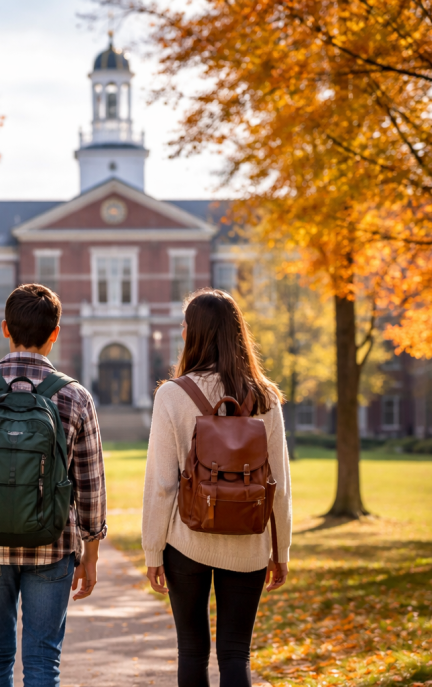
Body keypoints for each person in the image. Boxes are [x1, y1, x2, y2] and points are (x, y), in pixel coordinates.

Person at [0, 283, 107, 687]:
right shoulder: (75, 397)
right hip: (53, 544)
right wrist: (92, 554)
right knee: (43, 660)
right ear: (56, 333)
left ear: (5, 329)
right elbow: (91, 486)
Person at [142, 288, 292, 687]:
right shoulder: (265, 398)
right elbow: (279, 483)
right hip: (249, 541)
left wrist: (153, 549)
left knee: (192, 649)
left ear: (192, 334)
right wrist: (281, 550)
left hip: (185, 540)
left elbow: (161, 483)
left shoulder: (172, 395)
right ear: (237, 333)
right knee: (235, 651)